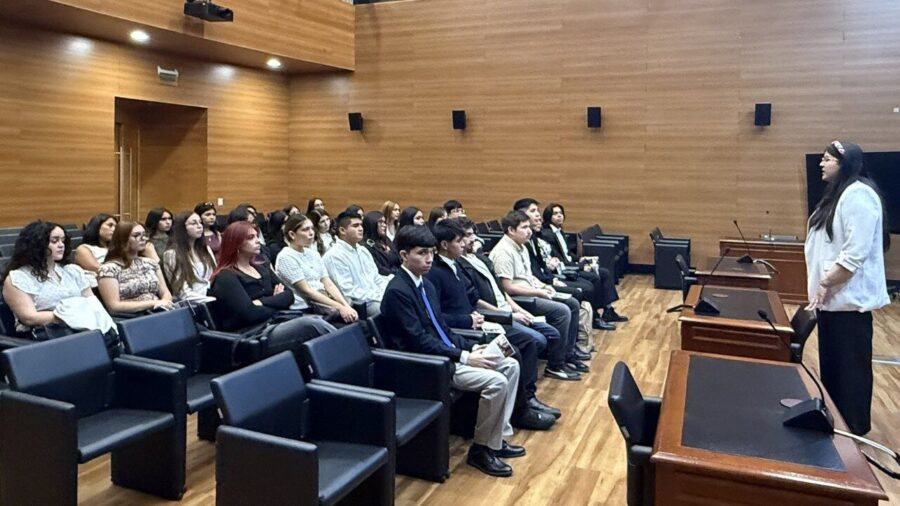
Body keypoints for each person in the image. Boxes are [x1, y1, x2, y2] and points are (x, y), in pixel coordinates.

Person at [380, 225, 523, 477]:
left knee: (510, 364)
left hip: (447, 354)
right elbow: (419, 341)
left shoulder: (426, 285)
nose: (429, 259)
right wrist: (464, 356)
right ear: (403, 255)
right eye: (421, 253)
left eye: (431, 253)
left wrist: (471, 346)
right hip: (426, 365)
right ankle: (480, 450)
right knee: (497, 382)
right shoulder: (397, 292)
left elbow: (442, 329)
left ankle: (495, 441)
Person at [427, 220, 559, 429]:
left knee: (525, 341)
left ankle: (526, 402)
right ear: (444, 245)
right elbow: (437, 317)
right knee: (515, 350)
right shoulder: (434, 273)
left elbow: (472, 298)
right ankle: (521, 411)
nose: (465, 244)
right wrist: (469, 320)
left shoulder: (456, 265)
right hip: (464, 331)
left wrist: (481, 316)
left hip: (478, 323)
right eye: (460, 241)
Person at [805, 140, 891, 436]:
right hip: (832, 301)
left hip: (849, 302)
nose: (821, 163)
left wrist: (826, 282)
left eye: (827, 159)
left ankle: (853, 428)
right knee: (833, 368)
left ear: (845, 164)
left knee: (850, 370)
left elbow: (855, 252)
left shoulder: (858, 194)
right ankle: (836, 421)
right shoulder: (836, 194)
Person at [490, 210, 588, 379]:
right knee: (562, 310)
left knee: (572, 302)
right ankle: (556, 365)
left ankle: (567, 355)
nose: (529, 231)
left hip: (531, 291)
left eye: (529, 227)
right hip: (520, 299)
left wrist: (544, 286)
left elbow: (528, 276)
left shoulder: (522, 246)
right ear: (511, 230)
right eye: (524, 227)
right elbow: (507, 287)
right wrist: (538, 292)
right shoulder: (503, 252)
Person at [209, 221, 335, 341]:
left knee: (322, 320)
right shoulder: (226, 277)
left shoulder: (262, 267)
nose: (257, 240)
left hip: (276, 322)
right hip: (253, 334)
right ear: (236, 243)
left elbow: (288, 296)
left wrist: (261, 302)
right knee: (311, 325)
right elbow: (249, 313)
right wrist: (275, 302)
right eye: (251, 237)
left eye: (257, 236)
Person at [2, 221, 114, 343]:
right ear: (37, 244)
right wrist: (73, 315)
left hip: (84, 330)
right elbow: (29, 318)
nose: (61, 245)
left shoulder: (73, 271)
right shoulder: (19, 277)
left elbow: (93, 303)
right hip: (46, 337)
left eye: (63, 240)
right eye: (54, 241)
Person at [541, 202, 627, 328]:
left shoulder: (559, 231)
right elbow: (559, 259)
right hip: (565, 269)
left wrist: (581, 259)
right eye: (555, 214)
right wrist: (580, 266)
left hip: (571, 263)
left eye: (561, 213)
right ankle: (595, 317)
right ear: (548, 217)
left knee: (604, 272)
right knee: (594, 277)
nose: (559, 216)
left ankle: (608, 310)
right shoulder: (547, 234)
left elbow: (567, 253)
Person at [275, 214, 359, 324]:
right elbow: (307, 291)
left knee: (356, 319)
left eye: (312, 228)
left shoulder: (313, 253)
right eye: (305, 229)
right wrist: (340, 307)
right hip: (303, 310)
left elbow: (328, 283)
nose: (311, 233)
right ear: (292, 234)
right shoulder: (286, 257)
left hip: (325, 304)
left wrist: (345, 305)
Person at [322, 211, 390, 317]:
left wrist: (387, 291)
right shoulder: (334, 255)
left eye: (361, 225)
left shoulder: (363, 250)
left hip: (375, 296)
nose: (361, 229)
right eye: (355, 226)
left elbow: (376, 278)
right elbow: (348, 291)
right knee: (392, 309)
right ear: (342, 230)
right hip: (359, 304)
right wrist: (379, 296)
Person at [97, 221, 174, 314]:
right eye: (136, 235)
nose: (143, 239)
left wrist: (165, 302)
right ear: (123, 239)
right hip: (132, 317)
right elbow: (114, 306)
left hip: (158, 311)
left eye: (144, 235)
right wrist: (154, 303)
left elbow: (166, 292)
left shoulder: (150, 263)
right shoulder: (108, 269)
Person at [162, 212, 216, 302]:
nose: (199, 226)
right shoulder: (172, 254)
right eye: (194, 223)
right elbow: (182, 292)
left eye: (200, 222)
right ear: (182, 228)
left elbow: (215, 277)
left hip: (211, 295)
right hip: (192, 302)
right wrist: (213, 300)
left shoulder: (206, 249)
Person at [73, 213, 118, 287]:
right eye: (110, 225)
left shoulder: (117, 248)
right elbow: (96, 268)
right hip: (99, 284)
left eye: (116, 227)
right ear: (97, 227)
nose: (114, 229)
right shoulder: (84, 248)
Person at [363, 211, 401, 276]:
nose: (384, 225)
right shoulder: (366, 245)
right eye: (380, 222)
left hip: (396, 273)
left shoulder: (386, 240)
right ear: (372, 223)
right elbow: (379, 269)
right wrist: (398, 274)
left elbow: (398, 259)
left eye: (384, 222)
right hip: (384, 277)